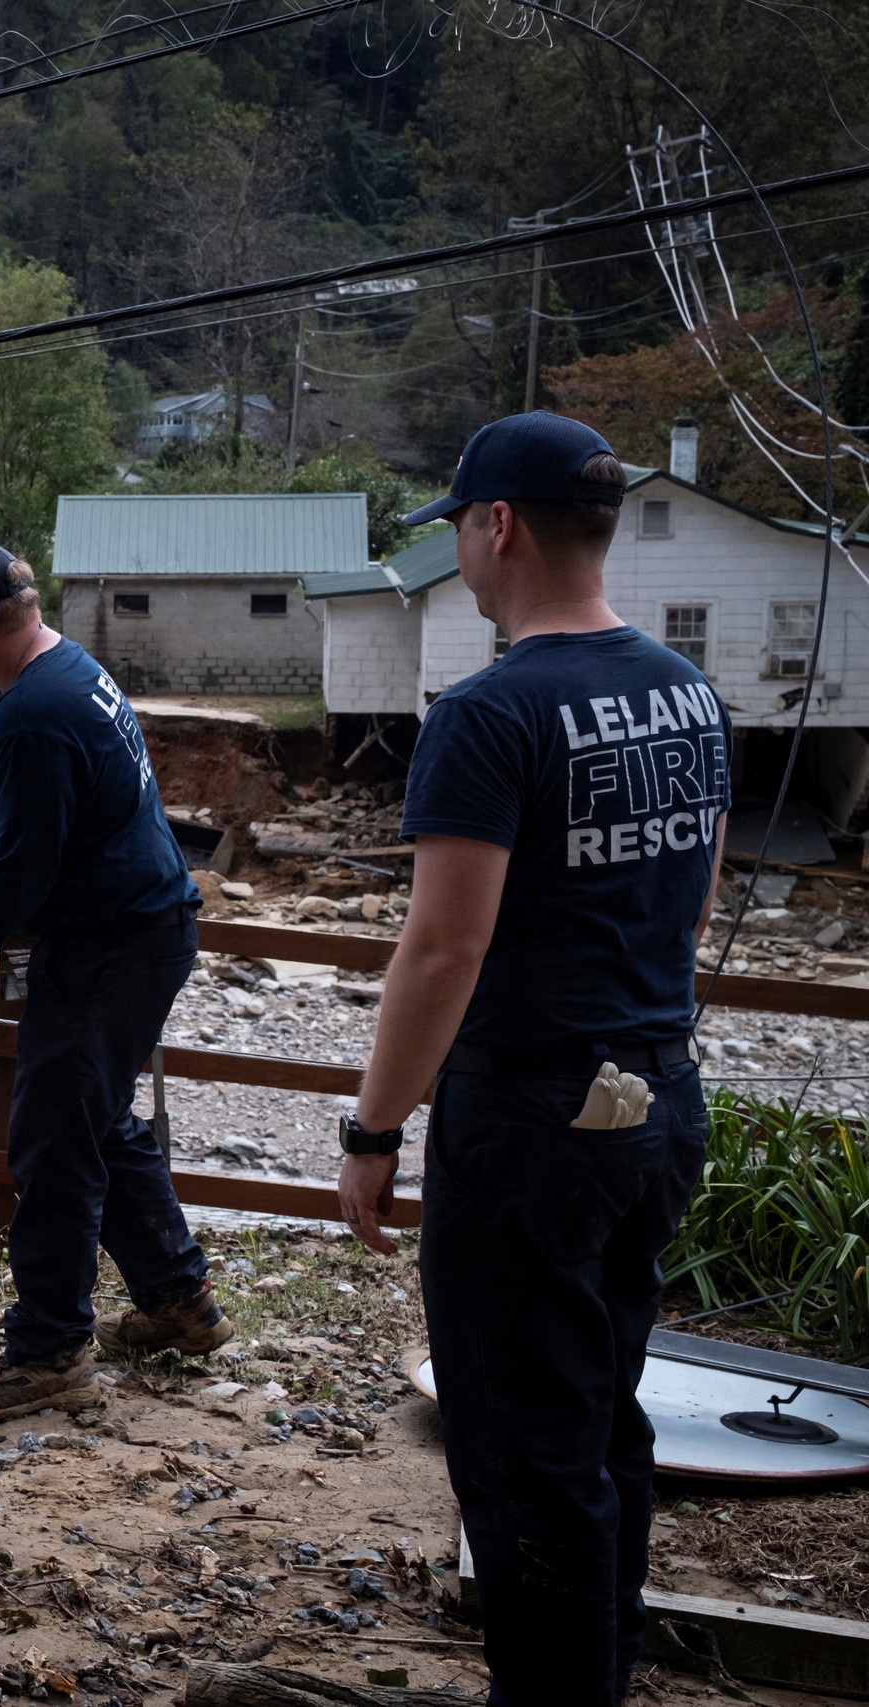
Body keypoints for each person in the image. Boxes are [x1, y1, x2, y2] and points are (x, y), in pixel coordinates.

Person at [338, 414, 726, 1707]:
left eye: (456, 521)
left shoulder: (491, 711)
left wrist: (372, 1131)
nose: (457, 543)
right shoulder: (688, 688)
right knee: (604, 1415)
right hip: (659, 1093)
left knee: (520, 1452)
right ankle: (596, 1678)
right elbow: (696, 888)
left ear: (496, 525)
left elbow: (443, 951)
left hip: (533, 1118)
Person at [0, 541, 215, 1425]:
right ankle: (179, 1301)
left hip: (117, 945)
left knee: (53, 1141)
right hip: (128, 930)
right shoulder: (30, 683)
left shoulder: (37, 710)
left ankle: (50, 1352)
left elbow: (20, 874)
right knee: (95, 1119)